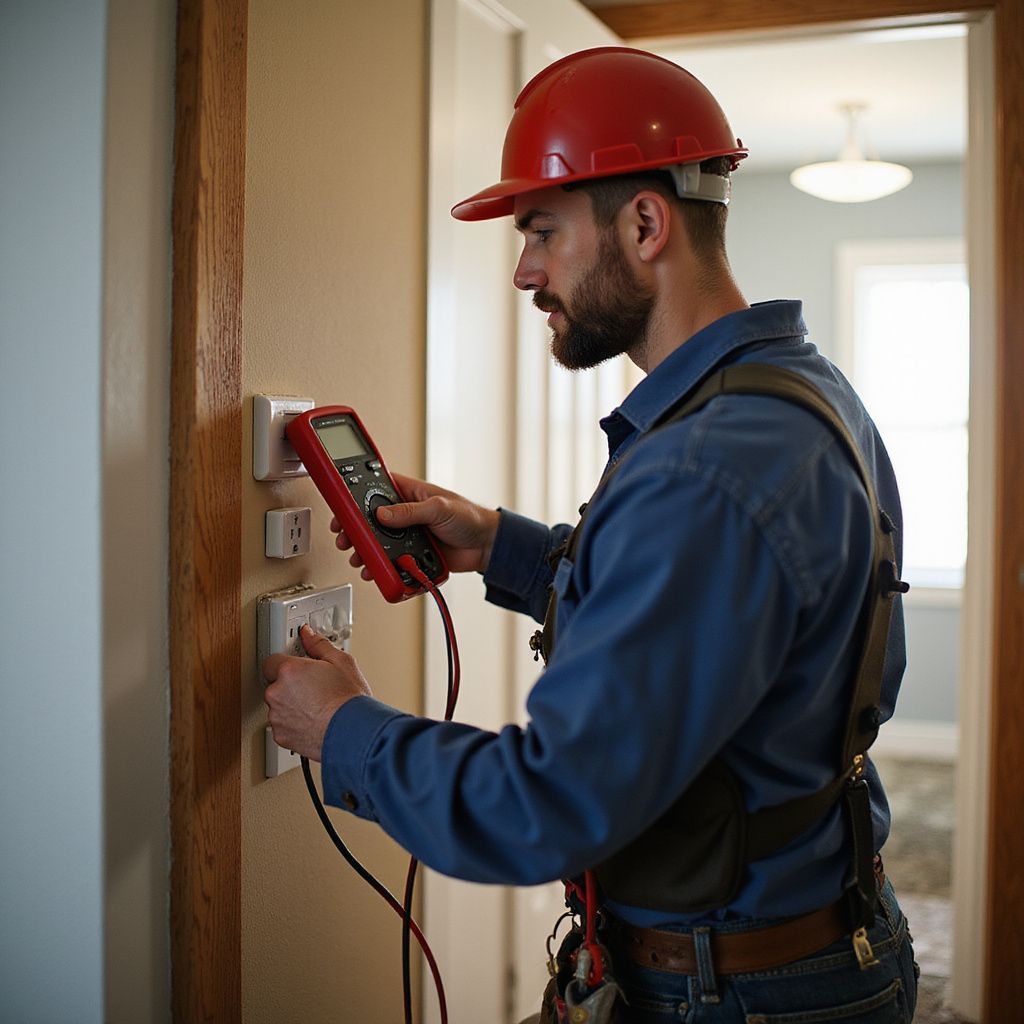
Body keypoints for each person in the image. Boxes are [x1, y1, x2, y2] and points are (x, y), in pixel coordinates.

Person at [263, 46, 918, 1023]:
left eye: (541, 231)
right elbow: (720, 621)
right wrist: (499, 543)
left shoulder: (705, 471)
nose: (524, 271)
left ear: (645, 222)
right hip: (803, 939)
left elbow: (543, 809)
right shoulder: (792, 394)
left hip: (731, 991)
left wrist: (343, 728)